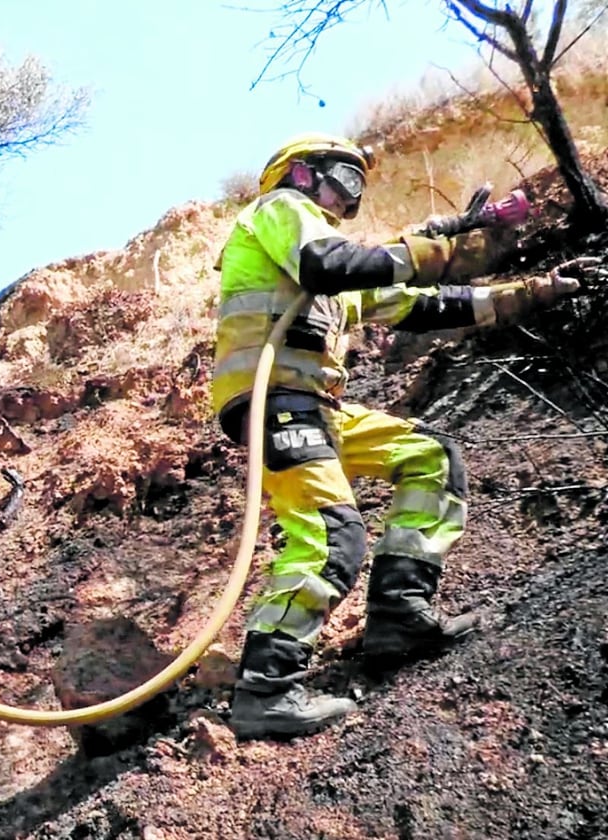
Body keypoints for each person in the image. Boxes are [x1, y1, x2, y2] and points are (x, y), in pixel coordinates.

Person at [211, 133, 581, 740]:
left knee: (429, 457)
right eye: (340, 179)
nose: (345, 197)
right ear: (300, 175)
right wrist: (435, 247)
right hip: (271, 400)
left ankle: (398, 617)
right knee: (332, 536)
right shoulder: (280, 212)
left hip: (315, 406)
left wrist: (531, 292)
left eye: (355, 190)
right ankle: (266, 689)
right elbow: (329, 263)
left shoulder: (321, 275)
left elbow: (419, 305)